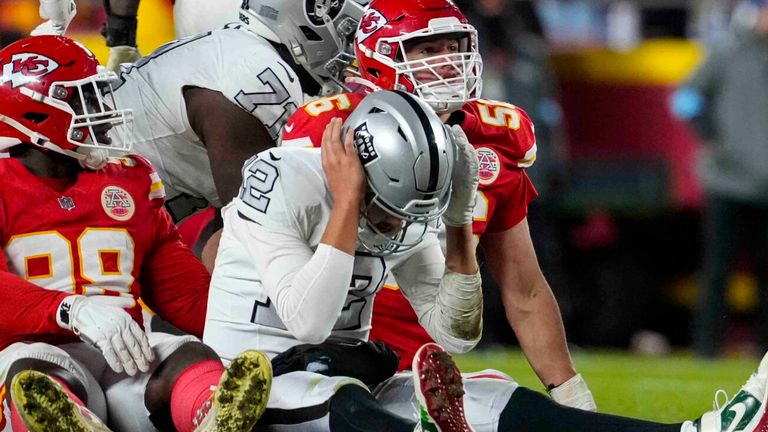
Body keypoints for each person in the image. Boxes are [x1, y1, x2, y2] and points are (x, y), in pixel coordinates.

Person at [281, 0, 593, 411]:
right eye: (428, 50)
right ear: (380, 59)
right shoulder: (331, 134)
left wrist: (572, 395)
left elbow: (526, 289)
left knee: (513, 401)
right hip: (326, 351)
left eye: (454, 47)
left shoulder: (491, 147)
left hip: (431, 360)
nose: (448, 63)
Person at [0, 35, 271, 432]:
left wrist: (259, 318)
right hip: (35, 352)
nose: (103, 112)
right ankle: (64, 420)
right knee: (35, 381)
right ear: (35, 112)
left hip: (126, 354)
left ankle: (212, 412)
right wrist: (73, 309)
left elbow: (184, 295)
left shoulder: (129, 178)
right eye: (85, 99)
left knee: (189, 356)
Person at [204, 88, 484, 430]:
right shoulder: (284, 177)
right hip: (256, 383)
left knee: (488, 397)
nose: (396, 224)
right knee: (343, 395)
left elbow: (457, 336)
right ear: (359, 170)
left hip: (348, 373)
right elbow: (310, 323)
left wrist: (459, 221)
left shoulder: (405, 212)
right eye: (386, 206)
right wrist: (348, 201)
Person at [107, 0, 368, 260]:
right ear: (311, 19)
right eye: (348, 33)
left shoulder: (249, 53)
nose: (353, 47)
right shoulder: (254, 77)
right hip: (91, 206)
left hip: (123, 215)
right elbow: (248, 236)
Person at [671, 0, 768, 358]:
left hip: (765, 186)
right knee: (717, 269)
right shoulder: (727, 52)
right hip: (728, 183)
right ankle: (706, 348)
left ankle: (764, 353)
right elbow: (684, 99)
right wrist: (715, 138)